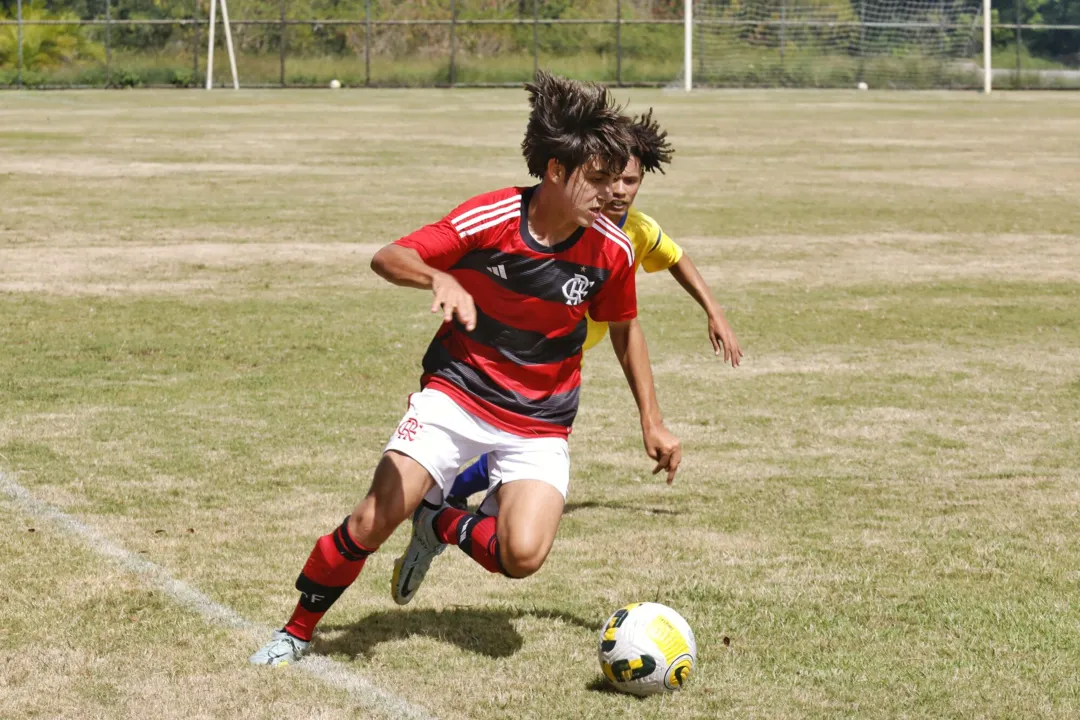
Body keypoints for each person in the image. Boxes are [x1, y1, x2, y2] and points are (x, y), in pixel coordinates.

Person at [249, 72, 681, 667]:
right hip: (457, 396)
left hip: (541, 421)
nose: (613, 194)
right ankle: (296, 631)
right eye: (599, 179)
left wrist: (651, 421)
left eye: (617, 181)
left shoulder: (612, 248)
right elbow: (389, 256)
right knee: (372, 522)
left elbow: (626, 327)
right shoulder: (493, 216)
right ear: (556, 170)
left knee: (522, 556)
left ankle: (443, 520)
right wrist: (439, 275)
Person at [446, 110, 742, 510]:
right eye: (610, 177)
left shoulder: (637, 230)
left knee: (532, 433)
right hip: (533, 343)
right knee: (519, 428)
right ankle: (458, 495)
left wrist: (714, 311)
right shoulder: (572, 218)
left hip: (572, 347)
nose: (619, 189)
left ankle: (462, 498)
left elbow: (675, 258)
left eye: (630, 180)